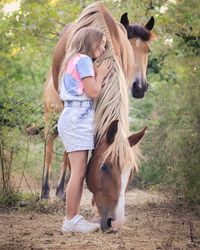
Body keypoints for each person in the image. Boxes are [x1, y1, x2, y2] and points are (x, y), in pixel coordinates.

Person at [57, 27, 111, 233]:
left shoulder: (73, 59)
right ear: (90, 42)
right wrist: (102, 74)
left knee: (78, 172)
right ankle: (71, 220)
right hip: (77, 119)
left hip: (74, 118)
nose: (103, 47)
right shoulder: (84, 61)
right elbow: (93, 91)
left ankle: (74, 217)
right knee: (78, 172)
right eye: (101, 43)